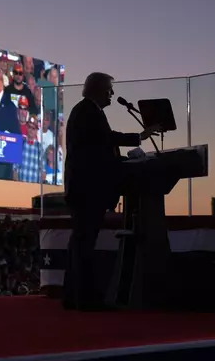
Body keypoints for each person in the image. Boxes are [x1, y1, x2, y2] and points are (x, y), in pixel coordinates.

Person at [62, 72, 159, 311]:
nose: (112, 95)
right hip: (86, 190)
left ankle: (75, 297)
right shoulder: (86, 111)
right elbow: (105, 140)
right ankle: (83, 300)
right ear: (96, 89)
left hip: (85, 189)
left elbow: (103, 142)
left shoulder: (89, 111)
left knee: (81, 243)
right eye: (109, 90)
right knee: (83, 243)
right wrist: (140, 137)